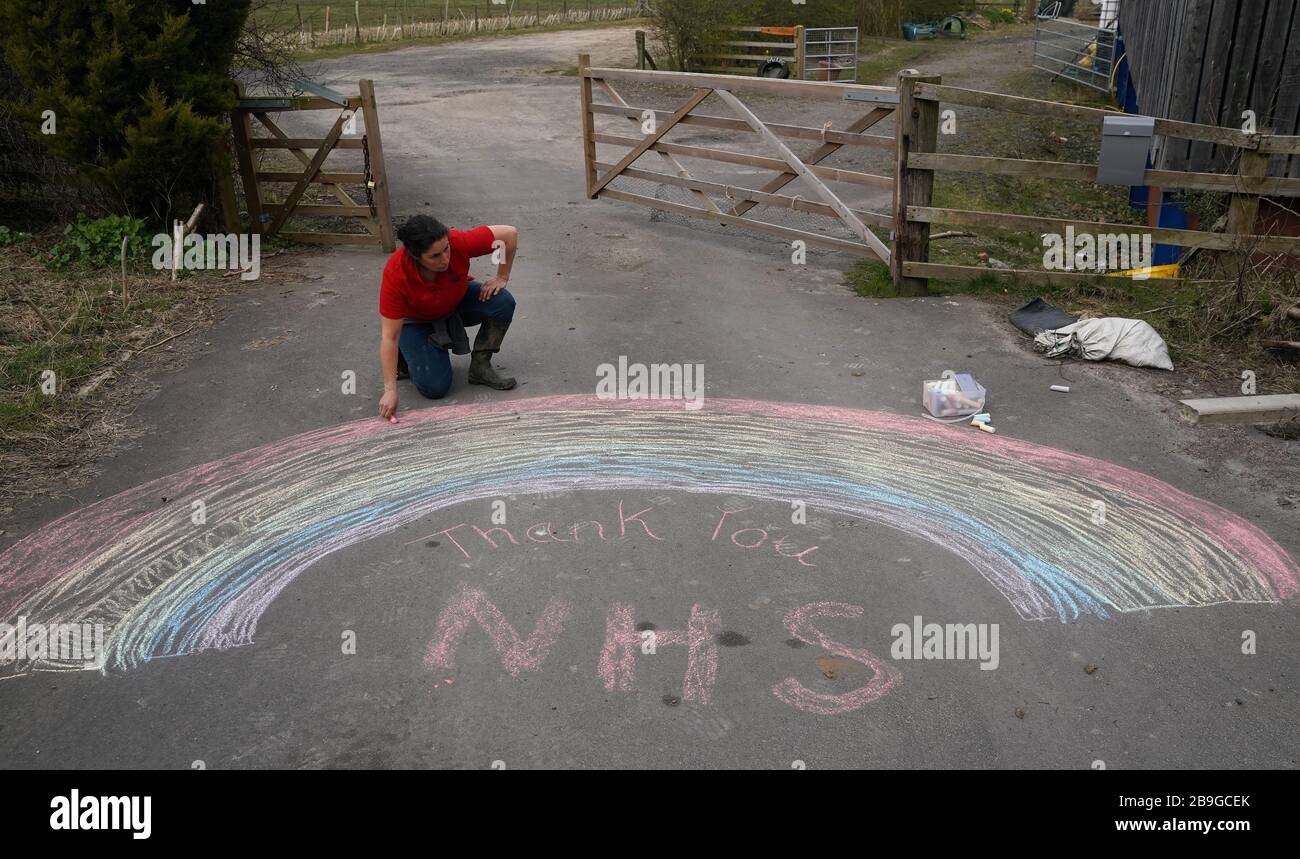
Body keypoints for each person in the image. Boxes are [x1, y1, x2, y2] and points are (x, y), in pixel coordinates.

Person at [378, 215, 519, 420]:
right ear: (415, 256)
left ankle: (480, 367)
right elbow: (389, 336)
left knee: (502, 301)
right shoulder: (396, 273)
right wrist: (390, 390)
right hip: (416, 321)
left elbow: (508, 234)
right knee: (435, 388)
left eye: (446, 249)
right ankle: (407, 356)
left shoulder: (457, 241)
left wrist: (502, 276)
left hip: (453, 303)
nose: (445, 259)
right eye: (435, 256)